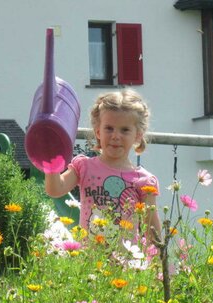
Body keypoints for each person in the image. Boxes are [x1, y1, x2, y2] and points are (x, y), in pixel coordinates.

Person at [44, 89, 161, 240]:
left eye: (124, 130)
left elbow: (153, 232)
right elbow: (55, 189)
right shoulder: (84, 166)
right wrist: (50, 157)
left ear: (137, 135)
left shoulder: (144, 182)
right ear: (98, 131)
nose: (115, 136)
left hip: (125, 261)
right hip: (88, 261)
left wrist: (159, 261)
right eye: (109, 128)